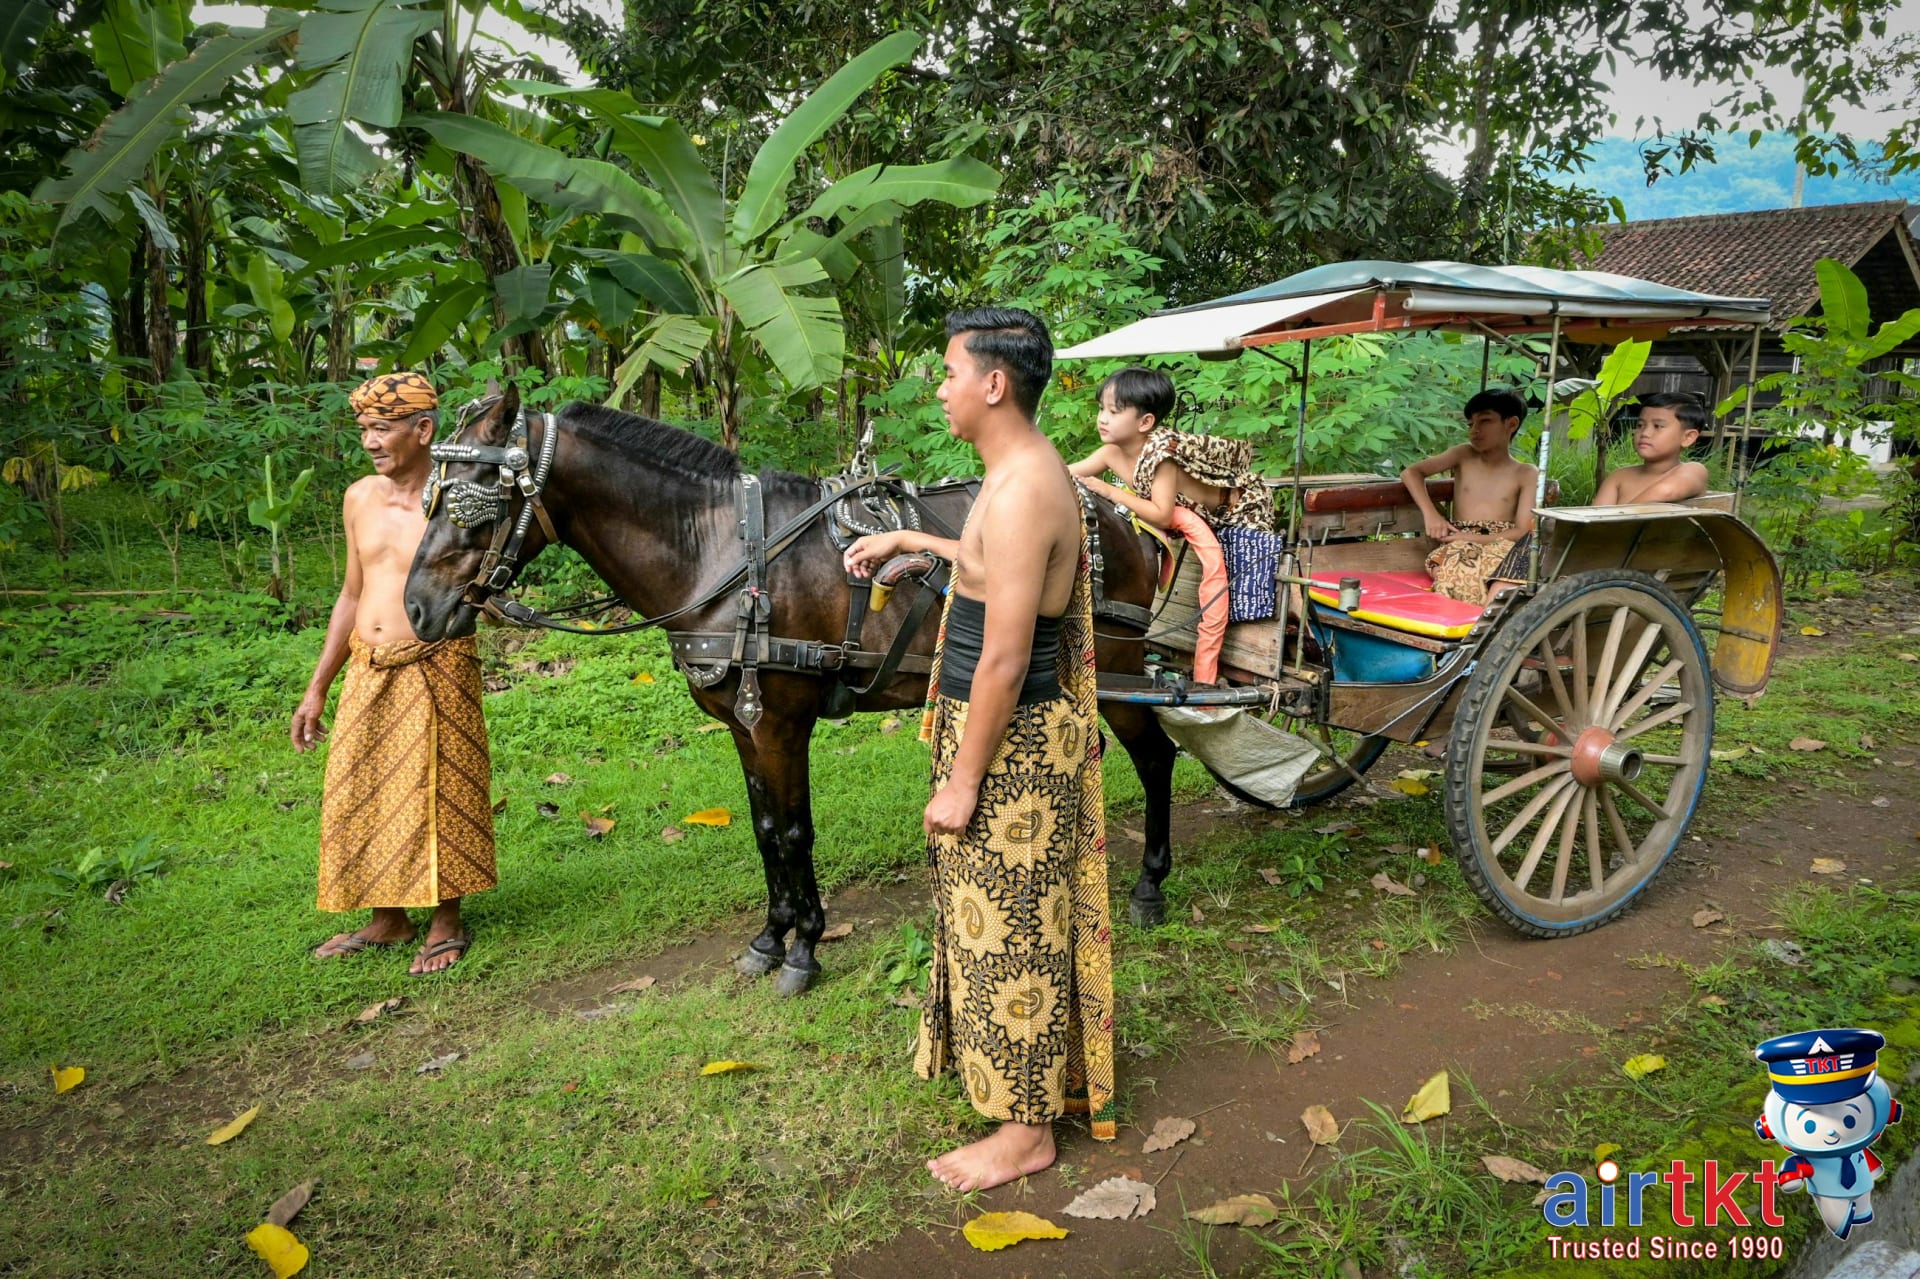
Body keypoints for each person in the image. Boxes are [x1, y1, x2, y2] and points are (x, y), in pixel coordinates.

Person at [843, 308, 1115, 1192]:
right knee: (984, 921)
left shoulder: (1032, 483)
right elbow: (989, 561)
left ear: (994, 383)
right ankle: (1014, 1094)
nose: (944, 387)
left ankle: (1028, 1131)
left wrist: (965, 782)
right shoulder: (1014, 474)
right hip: (997, 734)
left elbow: (1003, 653)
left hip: (1016, 746)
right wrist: (916, 540)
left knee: (1017, 932)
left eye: (952, 371)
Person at [291, 372, 495, 976]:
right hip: (369, 664)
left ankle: (445, 920)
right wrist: (318, 684)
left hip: (438, 661)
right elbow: (352, 594)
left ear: (423, 429)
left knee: (443, 788)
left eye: (382, 429)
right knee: (361, 785)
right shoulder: (360, 497)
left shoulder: (457, 504)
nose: (370, 442)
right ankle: (388, 918)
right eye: (364, 431)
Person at [1070, 366, 1277, 684]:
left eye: (1114, 411)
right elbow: (1069, 472)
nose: (1103, 418)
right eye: (1101, 409)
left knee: (1242, 578)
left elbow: (1162, 514)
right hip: (1197, 516)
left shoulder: (1161, 457)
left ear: (1145, 422)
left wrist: (1109, 490)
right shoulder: (1111, 453)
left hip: (1240, 513)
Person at [1401, 388, 1539, 603]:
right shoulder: (1463, 455)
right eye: (1471, 424)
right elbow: (1411, 473)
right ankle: (1463, 621)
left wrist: (1470, 538)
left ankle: (1483, 622)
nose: (1475, 430)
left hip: (1500, 543)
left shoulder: (1526, 473)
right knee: (1456, 563)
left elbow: (1521, 530)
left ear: (1511, 424)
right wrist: (1432, 515)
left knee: (1510, 566)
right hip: (1458, 544)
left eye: (1485, 421)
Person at [1593, 391, 1711, 504]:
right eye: (1640, 425)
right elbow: (1597, 517)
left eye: (1658, 426)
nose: (1645, 433)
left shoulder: (1694, 470)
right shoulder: (1619, 477)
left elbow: (1665, 491)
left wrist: (1622, 518)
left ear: (1688, 437)